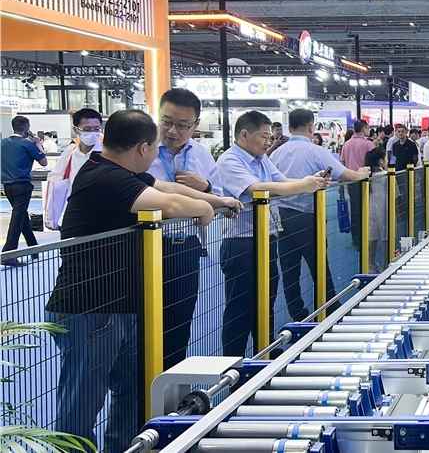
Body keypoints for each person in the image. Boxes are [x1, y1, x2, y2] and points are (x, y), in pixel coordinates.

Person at [45, 109, 235, 453]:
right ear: (143, 148)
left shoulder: (118, 172)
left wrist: (216, 200)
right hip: (90, 308)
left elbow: (168, 187)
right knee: (81, 404)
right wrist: (205, 209)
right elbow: (171, 202)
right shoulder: (106, 178)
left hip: (119, 306)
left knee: (131, 391)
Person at [217, 110, 329, 356]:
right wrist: (303, 185)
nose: (269, 141)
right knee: (239, 308)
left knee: (266, 300)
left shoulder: (261, 159)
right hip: (241, 243)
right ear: (244, 135)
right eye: (264, 136)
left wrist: (310, 181)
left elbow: (282, 181)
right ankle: (233, 363)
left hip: (266, 238)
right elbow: (257, 188)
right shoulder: (230, 161)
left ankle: (264, 353)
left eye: (270, 137)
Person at [146, 88, 223, 369]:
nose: (172, 131)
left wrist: (206, 188)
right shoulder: (142, 150)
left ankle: (173, 386)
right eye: (166, 121)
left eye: (182, 125)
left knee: (180, 322)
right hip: (146, 248)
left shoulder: (201, 155)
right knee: (143, 327)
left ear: (195, 125)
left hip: (186, 248)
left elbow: (223, 199)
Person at [270, 109, 369, 320]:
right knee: (319, 266)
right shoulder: (315, 151)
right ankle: (330, 310)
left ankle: (298, 315)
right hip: (308, 216)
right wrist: (362, 174)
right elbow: (344, 174)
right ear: (311, 126)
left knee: (289, 270)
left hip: (281, 217)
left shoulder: (277, 153)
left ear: (290, 127)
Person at [44, 108, 102, 231]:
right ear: (76, 130)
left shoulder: (108, 152)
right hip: (75, 214)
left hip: (102, 213)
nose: (93, 133)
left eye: (96, 129)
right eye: (87, 129)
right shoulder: (70, 153)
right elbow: (55, 183)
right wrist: (51, 219)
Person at [2, 115, 47, 266]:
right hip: (22, 185)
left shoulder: (2, 143)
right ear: (27, 128)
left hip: (7, 185)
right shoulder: (28, 144)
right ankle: (9, 253)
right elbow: (44, 162)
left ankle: (33, 248)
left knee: (21, 215)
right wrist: (38, 144)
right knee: (17, 217)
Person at [340, 120, 375, 248]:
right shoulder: (369, 144)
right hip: (366, 181)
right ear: (364, 128)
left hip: (351, 182)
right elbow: (375, 162)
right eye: (368, 128)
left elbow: (342, 162)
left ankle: (356, 239)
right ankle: (367, 237)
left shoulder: (346, 144)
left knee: (355, 210)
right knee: (368, 210)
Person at [364, 147, 389, 273]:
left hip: (370, 207)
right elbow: (396, 194)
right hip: (385, 207)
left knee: (372, 236)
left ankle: (370, 264)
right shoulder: (387, 175)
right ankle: (386, 264)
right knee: (386, 235)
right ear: (381, 161)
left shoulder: (368, 176)